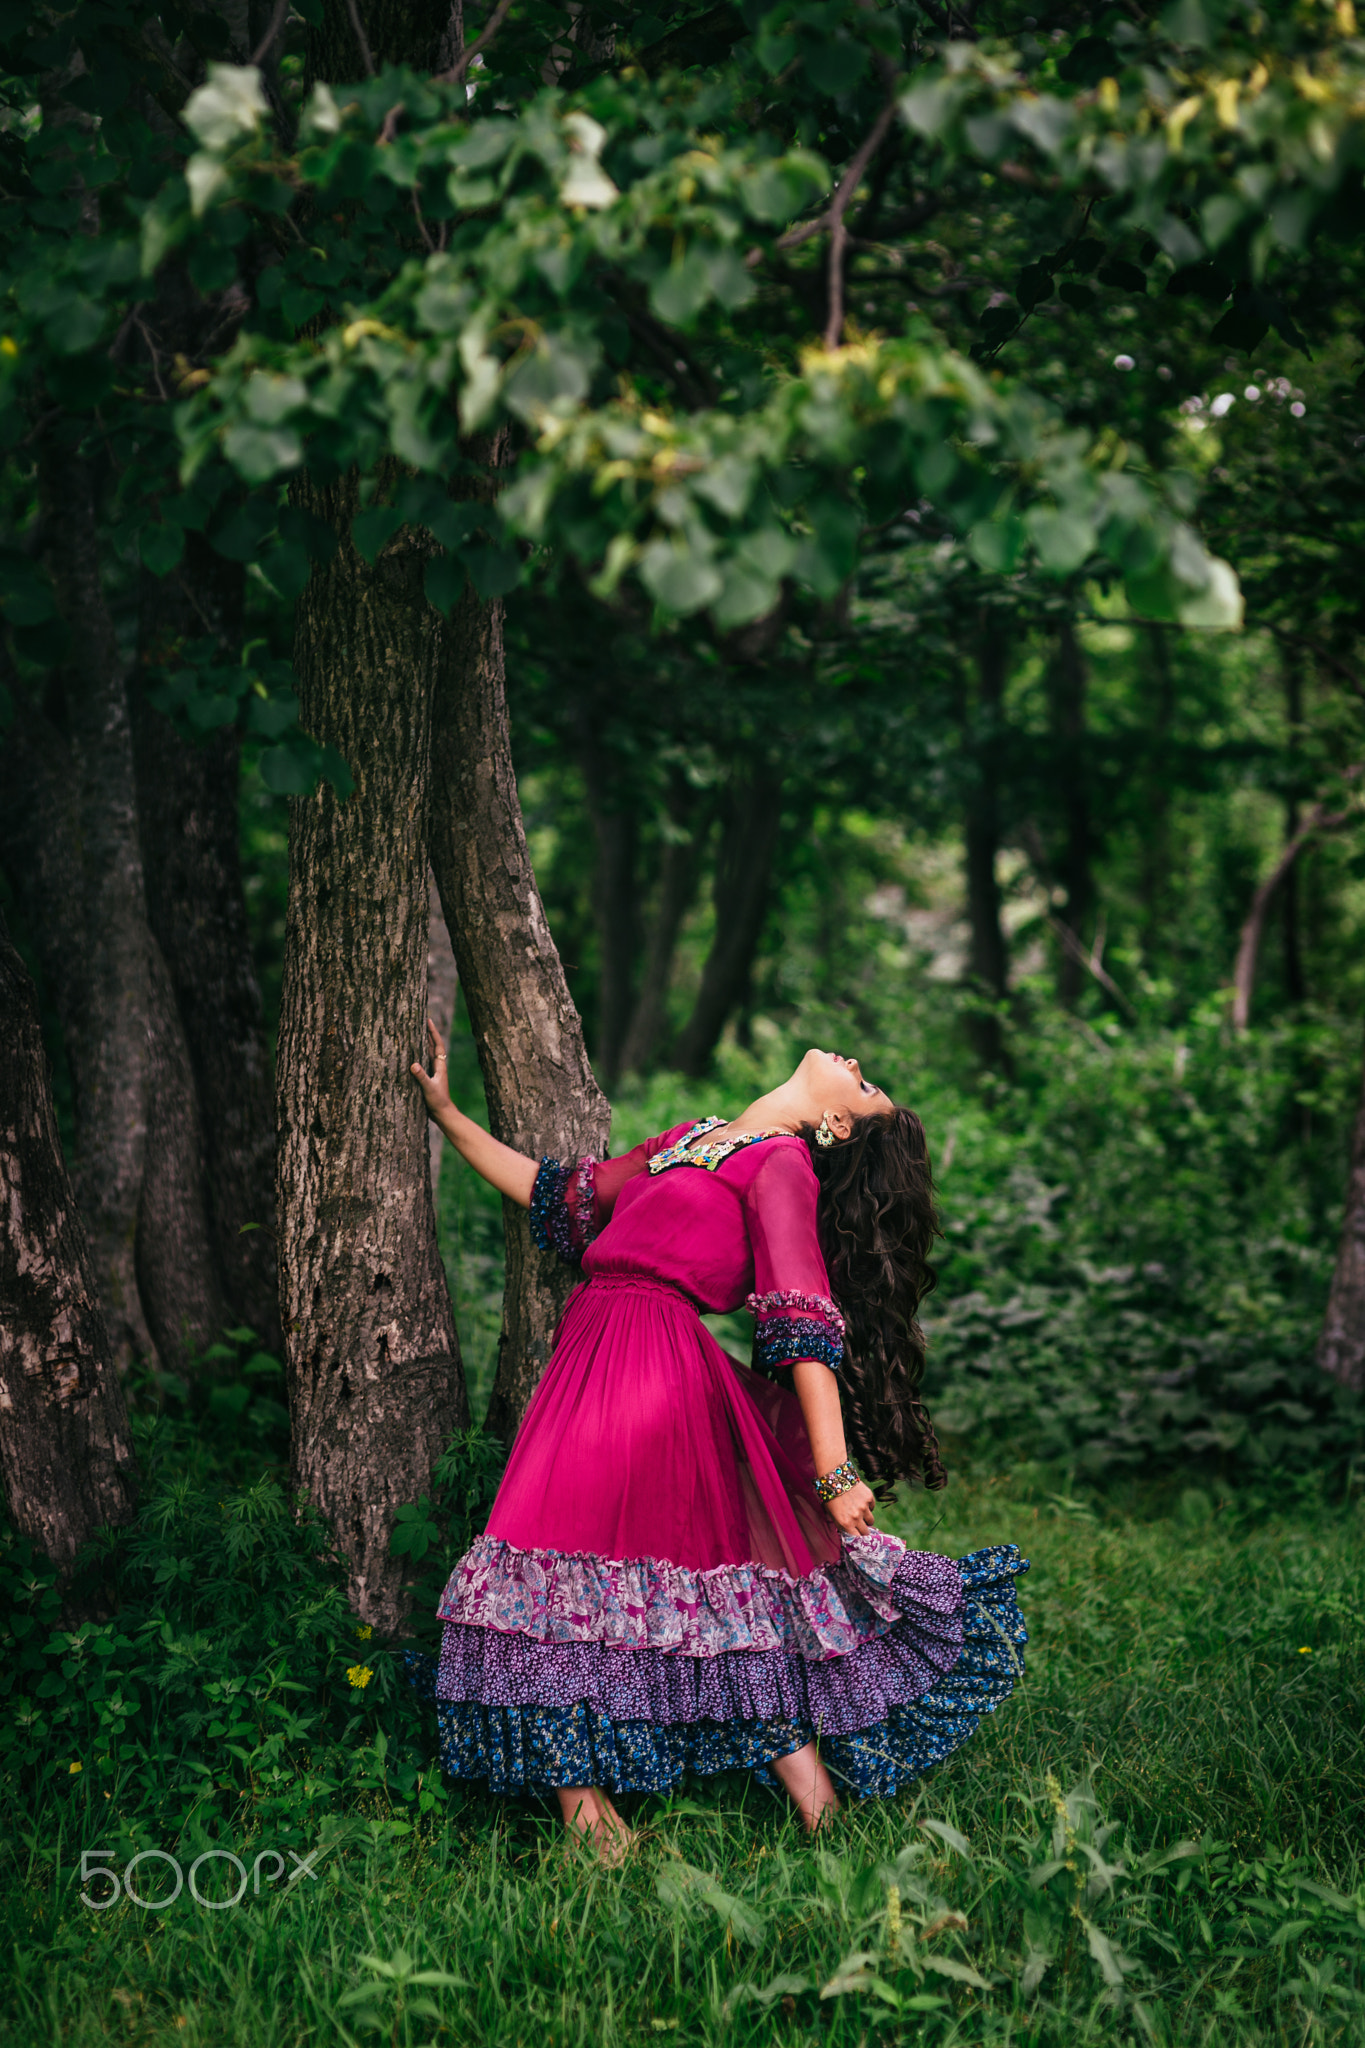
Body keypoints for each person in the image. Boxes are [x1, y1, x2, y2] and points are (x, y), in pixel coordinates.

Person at [409, 1034, 1027, 1857]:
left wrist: (836, 1471)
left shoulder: (781, 1167)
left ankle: (618, 1821)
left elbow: (802, 1323)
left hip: (655, 1369)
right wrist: (447, 1114)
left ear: (836, 1126)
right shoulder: (688, 1139)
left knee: (541, 1560)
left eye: (865, 1082)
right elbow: (559, 1197)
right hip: (588, 1352)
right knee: (647, 1594)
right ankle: (767, 1806)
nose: (852, 1060)